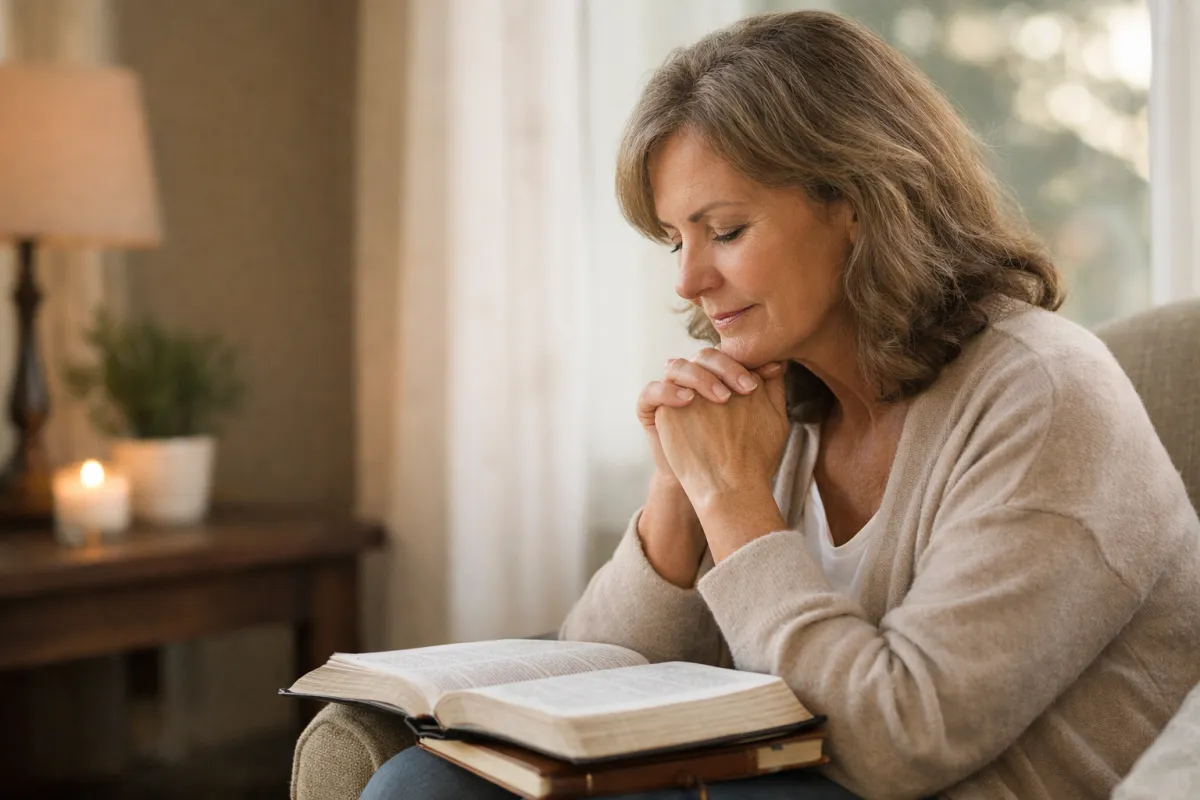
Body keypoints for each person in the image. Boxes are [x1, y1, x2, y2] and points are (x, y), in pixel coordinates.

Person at [363, 10, 1200, 799]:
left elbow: (899, 743)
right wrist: (680, 491)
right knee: (425, 783)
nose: (689, 280)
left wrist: (734, 501)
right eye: (675, 240)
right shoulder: (776, 402)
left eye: (725, 231)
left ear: (858, 203)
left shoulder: (1045, 396)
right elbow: (594, 696)